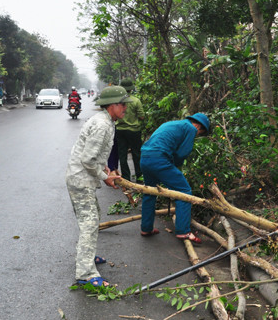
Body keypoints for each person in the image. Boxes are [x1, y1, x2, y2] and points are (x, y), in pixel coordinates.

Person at [65, 85, 133, 287]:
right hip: (81, 179)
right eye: (122, 105)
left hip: (81, 177)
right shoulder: (103, 125)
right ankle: (85, 274)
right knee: (89, 221)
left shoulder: (107, 122)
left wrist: (109, 169)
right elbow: (87, 159)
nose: (125, 108)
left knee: (93, 215)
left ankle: (86, 256)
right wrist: (105, 177)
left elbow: (96, 155)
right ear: (111, 105)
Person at [139, 113, 210, 244]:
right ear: (198, 126)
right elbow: (182, 153)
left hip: (145, 157)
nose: (197, 134)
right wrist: (175, 167)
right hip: (159, 159)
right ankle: (183, 231)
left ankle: (146, 228)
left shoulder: (173, 123)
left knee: (150, 192)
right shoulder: (191, 129)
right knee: (184, 191)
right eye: (200, 133)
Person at [116, 78, 145, 183]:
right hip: (134, 131)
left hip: (120, 130)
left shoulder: (117, 101)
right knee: (136, 154)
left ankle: (126, 178)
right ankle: (139, 177)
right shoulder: (136, 101)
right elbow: (141, 116)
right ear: (131, 89)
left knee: (122, 155)